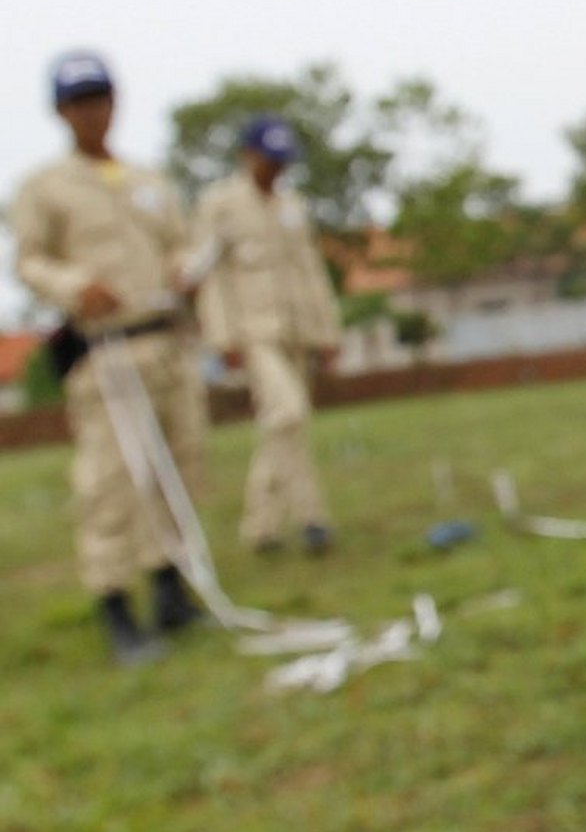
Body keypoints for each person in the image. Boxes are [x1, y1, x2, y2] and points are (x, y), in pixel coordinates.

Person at [11, 51, 206, 666]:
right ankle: (115, 605)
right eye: (79, 102)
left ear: (115, 102)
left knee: (180, 468)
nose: (92, 111)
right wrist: (73, 287)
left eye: (100, 98)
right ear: (62, 112)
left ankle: (170, 587)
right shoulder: (45, 189)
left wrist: (185, 268)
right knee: (111, 482)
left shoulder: (151, 182)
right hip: (106, 351)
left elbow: (180, 243)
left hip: (165, 340)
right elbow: (28, 260)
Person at [194, 115, 342, 555]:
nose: (274, 170)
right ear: (247, 155)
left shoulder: (293, 207)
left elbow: (312, 273)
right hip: (253, 334)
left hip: (296, 332)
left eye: (281, 162)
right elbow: (211, 276)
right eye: (267, 160)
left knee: (280, 425)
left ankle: (261, 528)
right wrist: (223, 340)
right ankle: (312, 518)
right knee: (290, 413)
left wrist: (327, 332)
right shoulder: (219, 205)